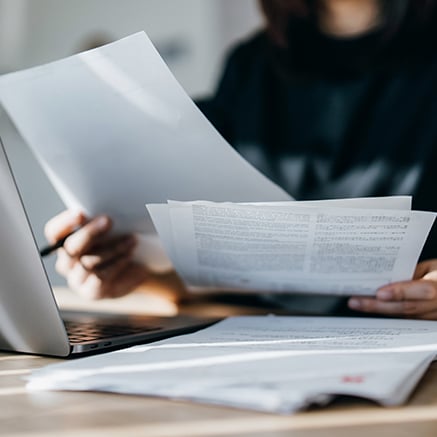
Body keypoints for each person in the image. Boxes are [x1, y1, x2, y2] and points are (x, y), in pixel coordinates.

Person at [45, 0, 437, 319]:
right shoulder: (250, 66)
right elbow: (220, 279)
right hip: (244, 342)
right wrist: (133, 273)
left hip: (402, 348)